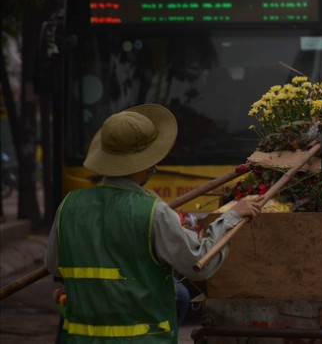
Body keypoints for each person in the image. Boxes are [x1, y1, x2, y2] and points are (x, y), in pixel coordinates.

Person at [45, 104, 262, 343]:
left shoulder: (68, 206)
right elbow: (199, 263)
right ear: (147, 163)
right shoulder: (153, 212)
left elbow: (54, 265)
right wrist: (232, 215)